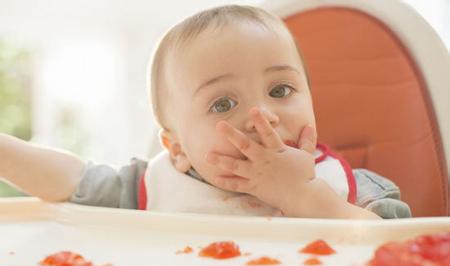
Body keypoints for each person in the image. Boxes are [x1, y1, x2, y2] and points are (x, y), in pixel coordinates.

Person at [0, 5, 411, 219]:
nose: (262, 116)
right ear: (177, 149)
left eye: (280, 89)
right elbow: (72, 182)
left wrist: (303, 196)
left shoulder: (358, 191)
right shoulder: (155, 188)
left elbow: (398, 252)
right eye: (223, 104)